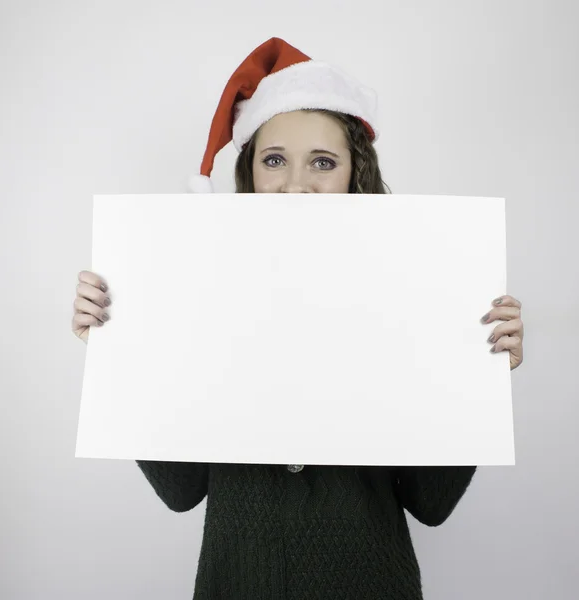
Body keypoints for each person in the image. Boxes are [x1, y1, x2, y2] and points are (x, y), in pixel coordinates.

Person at [72, 37, 525, 600]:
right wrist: (123, 346)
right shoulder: (202, 294)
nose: (295, 184)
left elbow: (430, 504)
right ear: (251, 172)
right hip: (235, 583)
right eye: (275, 159)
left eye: (323, 163)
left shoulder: (409, 292)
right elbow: (181, 490)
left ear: (354, 175)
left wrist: (478, 369)